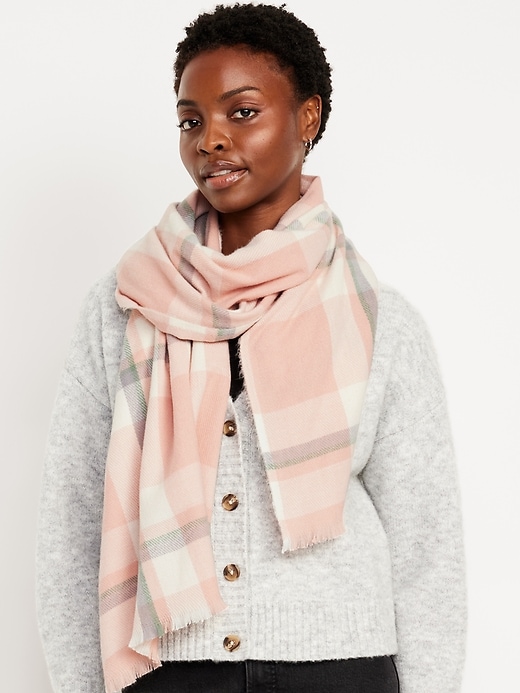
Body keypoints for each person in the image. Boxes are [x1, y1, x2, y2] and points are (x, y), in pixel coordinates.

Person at [36, 3, 466, 692]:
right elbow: (72, 524)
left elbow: (427, 545)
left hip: (340, 670)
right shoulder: (122, 307)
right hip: (166, 669)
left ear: (306, 118)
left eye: (242, 112)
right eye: (191, 120)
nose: (210, 139)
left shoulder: (381, 319)